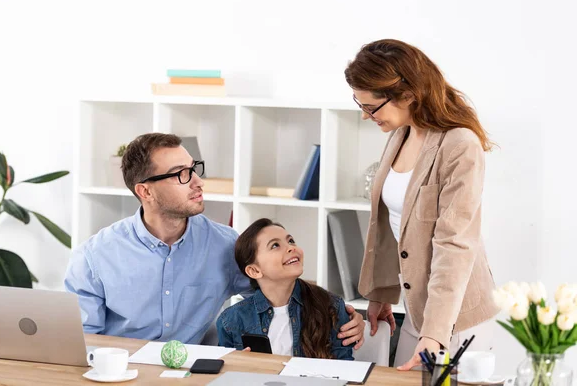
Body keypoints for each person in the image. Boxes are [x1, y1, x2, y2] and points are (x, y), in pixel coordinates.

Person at [64, 133, 365, 347]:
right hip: (122, 375)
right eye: (180, 174)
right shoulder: (95, 256)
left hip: (194, 375)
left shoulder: (224, 244)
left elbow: (279, 288)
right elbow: (82, 343)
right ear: (145, 192)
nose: (197, 181)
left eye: (193, 169)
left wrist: (338, 312)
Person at [344, 39, 499, 370]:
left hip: (453, 318)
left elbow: (455, 244)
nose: (364, 115)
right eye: (359, 104)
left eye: (371, 107)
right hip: (415, 307)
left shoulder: (459, 145)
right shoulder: (400, 134)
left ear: (408, 94)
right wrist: (382, 292)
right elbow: (387, 224)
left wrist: (436, 332)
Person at [217, 218, 354, 360]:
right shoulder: (231, 321)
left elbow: (345, 368)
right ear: (254, 271)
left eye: (291, 241)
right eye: (275, 245)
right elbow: (225, 375)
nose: (291, 247)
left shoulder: (331, 306)